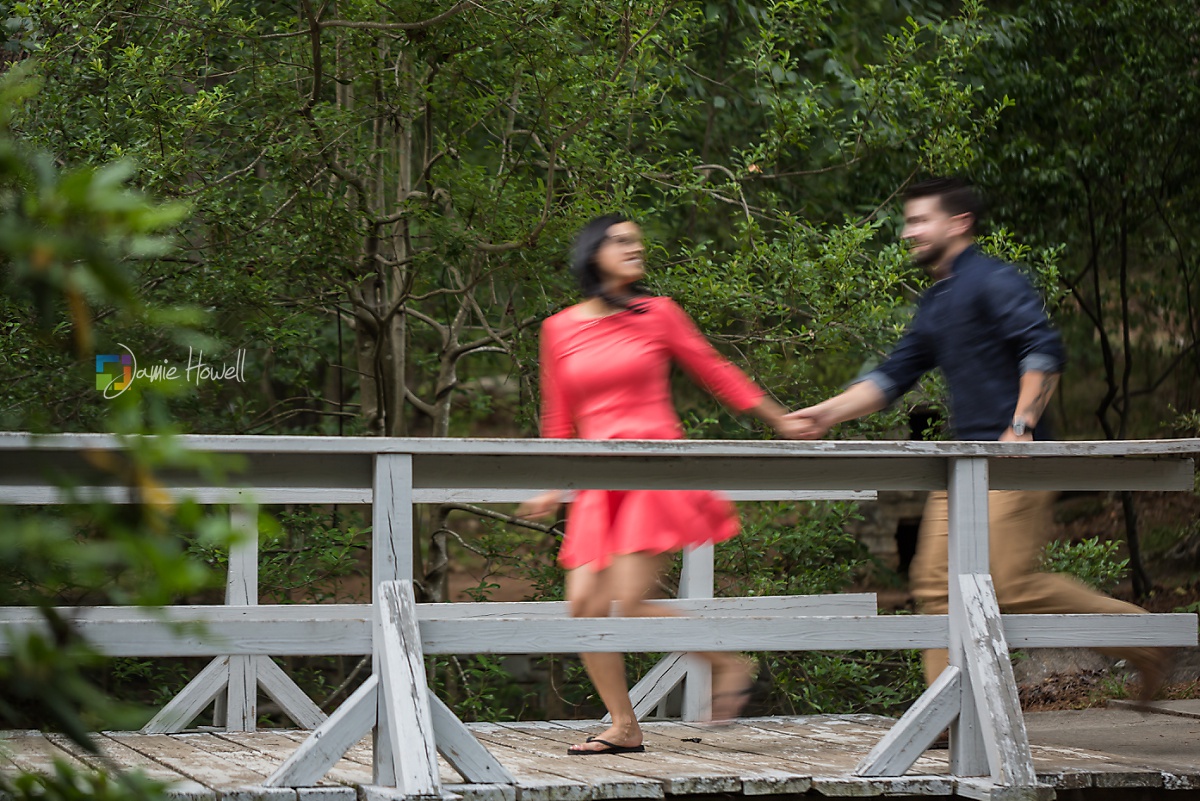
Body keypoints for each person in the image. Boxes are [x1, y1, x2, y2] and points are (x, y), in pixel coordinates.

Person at [785, 177, 1170, 699]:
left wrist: (1021, 426)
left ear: (958, 223)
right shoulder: (937, 301)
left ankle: (1147, 638)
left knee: (1008, 586)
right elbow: (892, 377)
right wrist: (825, 415)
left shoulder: (994, 280)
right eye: (908, 221)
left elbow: (1042, 350)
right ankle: (950, 714)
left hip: (1012, 462)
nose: (908, 232)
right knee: (933, 585)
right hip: (963, 465)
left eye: (920, 220)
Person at [517, 214, 802, 755]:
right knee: (583, 605)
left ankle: (726, 662)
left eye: (638, 241)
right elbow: (558, 417)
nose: (636, 248)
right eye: (622, 241)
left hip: (654, 473)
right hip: (598, 483)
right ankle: (624, 726)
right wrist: (554, 485)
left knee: (626, 600)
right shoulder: (559, 328)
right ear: (593, 252)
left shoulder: (658, 313)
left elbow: (716, 372)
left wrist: (780, 418)